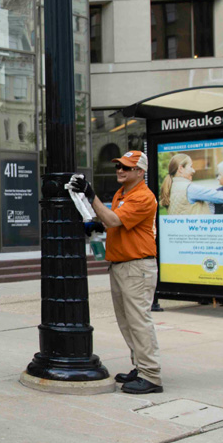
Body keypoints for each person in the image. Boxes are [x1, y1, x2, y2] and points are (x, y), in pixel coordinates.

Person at [69, 151, 163, 395]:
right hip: (123, 264)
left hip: (137, 266)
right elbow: (113, 221)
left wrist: (91, 196)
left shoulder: (143, 196)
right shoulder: (124, 193)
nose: (120, 170)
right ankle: (140, 368)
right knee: (127, 322)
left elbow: (112, 220)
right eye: (119, 166)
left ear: (140, 172)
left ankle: (151, 375)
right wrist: (95, 223)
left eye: (127, 167)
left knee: (139, 322)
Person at [158, 153, 223, 215]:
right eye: (191, 166)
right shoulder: (190, 189)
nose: (194, 171)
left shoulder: (172, 186)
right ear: (181, 168)